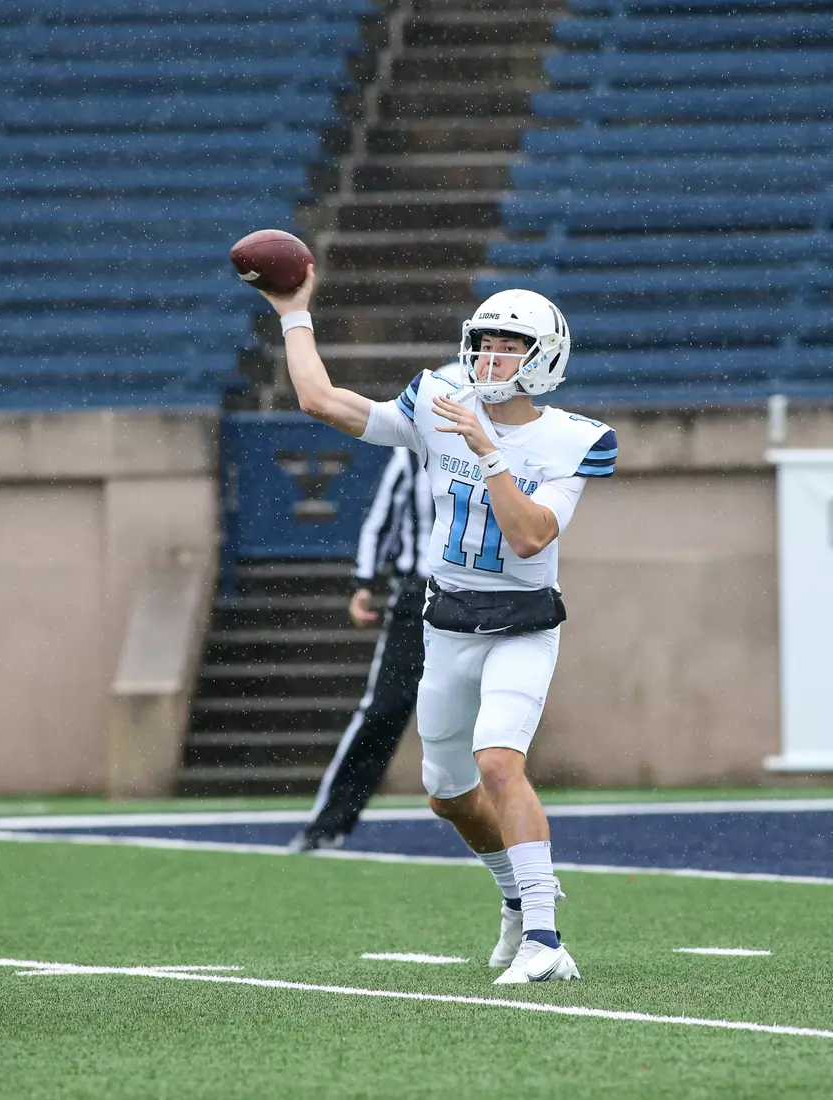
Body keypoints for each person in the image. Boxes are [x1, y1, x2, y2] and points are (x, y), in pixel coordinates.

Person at [256, 270, 617, 984]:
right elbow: (321, 400)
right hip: (445, 622)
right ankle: (515, 897)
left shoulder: (575, 440)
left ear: (543, 358)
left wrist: (488, 453)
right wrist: (294, 312)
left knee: (497, 762)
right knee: (447, 794)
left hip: (521, 625)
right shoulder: (436, 402)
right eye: (481, 346)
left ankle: (547, 941)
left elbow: (530, 537)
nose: (488, 361)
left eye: (507, 349)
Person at [290, 446, 433, 852]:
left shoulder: (502, 448)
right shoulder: (412, 454)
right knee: (384, 709)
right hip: (419, 599)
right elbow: (381, 519)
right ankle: (329, 823)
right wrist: (364, 582)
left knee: (493, 716)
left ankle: (509, 832)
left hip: (479, 601)